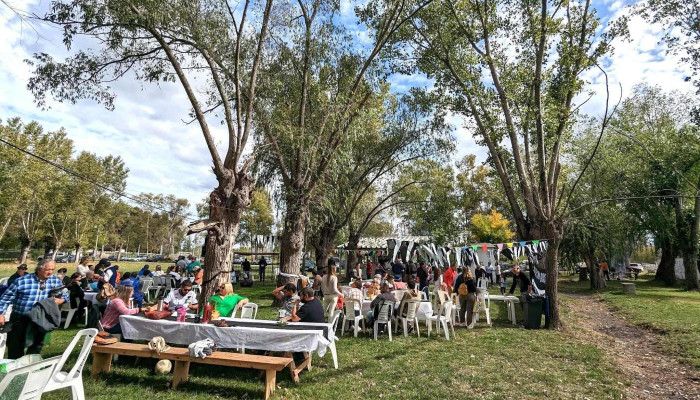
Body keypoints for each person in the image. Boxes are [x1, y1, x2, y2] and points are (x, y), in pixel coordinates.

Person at [0, 259, 69, 359]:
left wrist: (60, 300)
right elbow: (6, 298)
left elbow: (65, 294)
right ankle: (14, 371)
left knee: (36, 346)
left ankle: (30, 369)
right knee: (15, 345)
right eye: (47, 269)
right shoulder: (22, 280)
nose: (50, 272)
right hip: (20, 317)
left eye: (52, 269)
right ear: (39, 269)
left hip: (40, 318)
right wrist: (1, 313)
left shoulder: (54, 281)